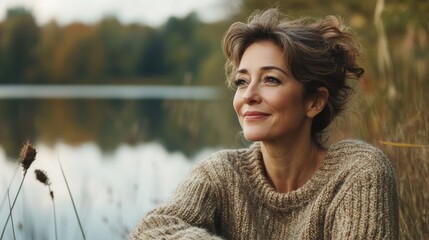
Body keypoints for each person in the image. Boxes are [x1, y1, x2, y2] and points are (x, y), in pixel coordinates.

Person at [130, 8, 398, 239]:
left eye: (271, 79)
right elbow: (152, 230)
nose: (248, 95)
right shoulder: (222, 174)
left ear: (314, 101)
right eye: (242, 82)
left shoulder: (357, 172)